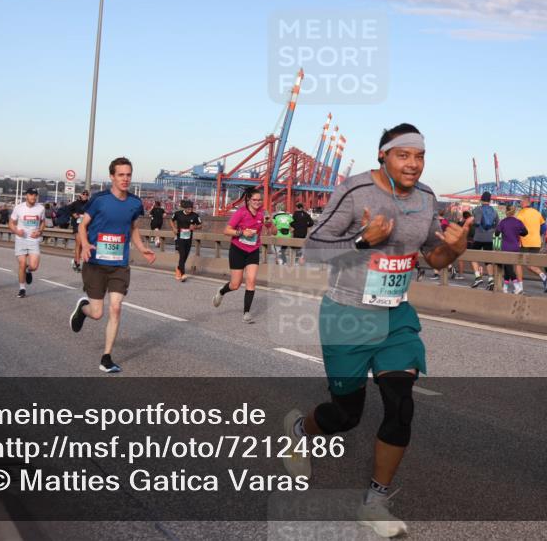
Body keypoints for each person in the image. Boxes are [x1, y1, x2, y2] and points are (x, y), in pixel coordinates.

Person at [282, 124, 473, 537]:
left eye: (419, 156)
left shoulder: (426, 200)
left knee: (401, 404)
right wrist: (362, 242)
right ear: (383, 156)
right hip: (347, 314)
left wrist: (455, 249)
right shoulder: (354, 191)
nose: (413, 164)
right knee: (346, 415)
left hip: (395, 315)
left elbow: (433, 259)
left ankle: (376, 501)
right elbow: (313, 248)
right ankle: (300, 430)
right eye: (403, 155)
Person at [68, 158, 156, 373]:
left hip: (119, 264)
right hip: (96, 263)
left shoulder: (135, 203)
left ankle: (106, 357)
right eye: (121, 175)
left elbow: (133, 228)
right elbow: (83, 225)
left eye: (128, 175)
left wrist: (142, 247)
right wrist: (86, 243)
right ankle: (83, 309)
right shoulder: (99, 200)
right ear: (112, 177)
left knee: (115, 308)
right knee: (97, 313)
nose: (125, 179)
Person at [212, 187, 275, 324]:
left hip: (253, 250)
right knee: (235, 284)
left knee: (251, 280)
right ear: (248, 199)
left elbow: (274, 232)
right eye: (254, 200)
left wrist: (270, 223)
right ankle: (222, 291)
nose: (258, 202)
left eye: (260, 200)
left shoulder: (263, 213)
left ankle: (246, 312)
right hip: (238, 250)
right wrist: (242, 233)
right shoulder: (241, 213)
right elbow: (226, 230)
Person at [9, 187, 45, 298]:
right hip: (21, 240)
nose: (33, 197)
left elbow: (43, 222)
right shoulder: (19, 208)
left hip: (33, 240)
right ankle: (22, 289)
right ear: (26, 196)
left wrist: (39, 231)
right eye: (31, 194)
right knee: (22, 264)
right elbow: (11, 223)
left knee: (34, 266)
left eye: (35, 195)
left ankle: (29, 271)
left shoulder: (40, 208)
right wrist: (16, 231)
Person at [516, 196, 547, 292]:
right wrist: (536, 234)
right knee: (530, 264)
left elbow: (517, 228)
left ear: (524, 202)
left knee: (518, 264)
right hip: (536, 243)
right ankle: (544, 277)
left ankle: (520, 287)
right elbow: (544, 228)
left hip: (524, 242)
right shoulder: (537, 213)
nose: (520, 203)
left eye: (520, 201)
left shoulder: (521, 214)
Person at [495, 204, 528, 294]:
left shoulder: (503, 222)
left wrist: (501, 231)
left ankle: (517, 286)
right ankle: (505, 287)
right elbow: (525, 232)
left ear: (506, 211)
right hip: (516, 247)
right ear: (514, 212)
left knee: (508, 268)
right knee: (508, 268)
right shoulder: (518, 222)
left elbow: (497, 233)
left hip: (506, 247)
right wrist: (517, 233)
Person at [470, 191, 498, 289]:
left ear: (481, 199)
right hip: (489, 238)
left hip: (478, 237)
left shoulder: (477, 209)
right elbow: (497, 225)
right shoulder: (494, 211)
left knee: (472, 256)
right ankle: (490, 280)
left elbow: (477, 222)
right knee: (488, 259)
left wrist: (473, 224)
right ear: (490, 200)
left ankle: (478, 277)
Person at [171, 199, 202, 281]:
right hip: (179, 237)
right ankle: (183, 274)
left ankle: (178, 269)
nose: (190, 210)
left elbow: (200, 225)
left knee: (185, 255)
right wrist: (174, 228)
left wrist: (195, 227)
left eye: (191, 208)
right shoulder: (178, 214)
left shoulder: (195, 215)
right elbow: (171, 220)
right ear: (184, 208)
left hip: (188, 237)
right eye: (188, 209)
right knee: (182, 254)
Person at [69, 190, 90, 272]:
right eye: (83, 194)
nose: (85, 195)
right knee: (79, 243)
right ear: (80, 195)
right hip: (77, 225)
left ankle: (75, 260)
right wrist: (73, 214)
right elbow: (68, 210)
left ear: (88, 196)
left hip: (85, 227)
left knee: (82, 245)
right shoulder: (75, 203)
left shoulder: (89, 204)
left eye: (86, 194)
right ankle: (77, 263)